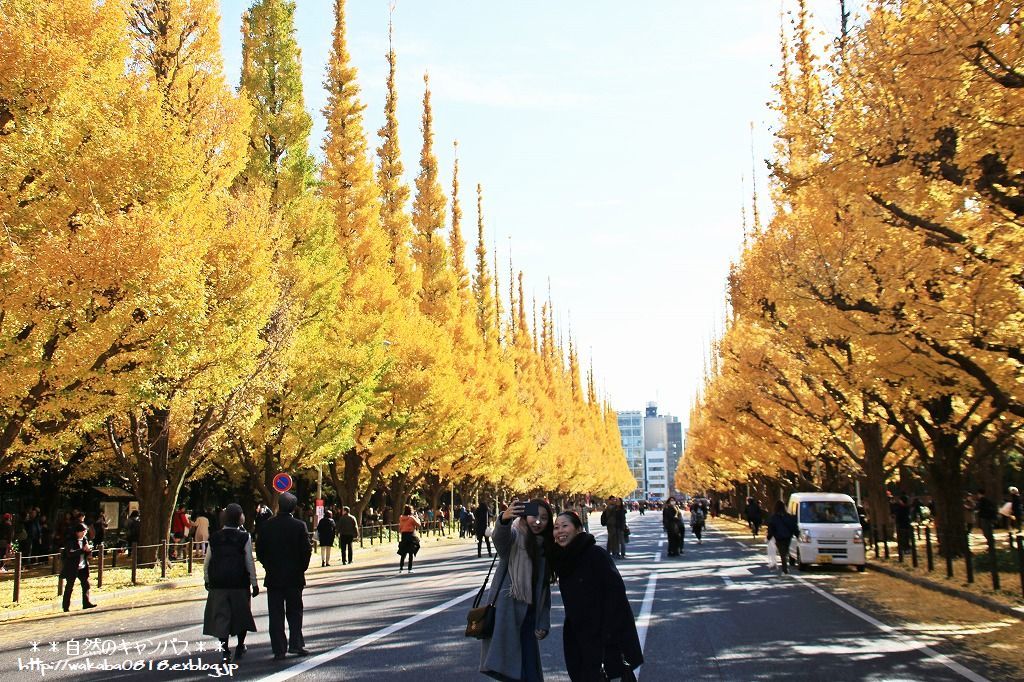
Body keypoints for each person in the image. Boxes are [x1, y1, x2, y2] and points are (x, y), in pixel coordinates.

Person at [550, 510, 642, 681]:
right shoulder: (562, 560)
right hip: (579, 637)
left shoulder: (595, 554)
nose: (560, 531)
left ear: (578, 529)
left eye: (564, 526)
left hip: (606, 637)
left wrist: (610, 636)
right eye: (556, 527)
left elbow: (616, 595)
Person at [480, 499, 553, 682]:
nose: (538, 521)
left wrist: (543, 621)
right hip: (507, 613)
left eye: (544, 518)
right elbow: (499, 538)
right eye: (534, 516)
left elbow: (544, 590)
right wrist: (504, 519)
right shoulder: (514, 537)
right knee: (512, 672)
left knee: (529, 671)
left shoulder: (545, 546)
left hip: (529, 617)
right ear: (524, 516)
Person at [256, 493, 312, 661]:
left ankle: (279, 649)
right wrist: (301, 568)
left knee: (276, 614)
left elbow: (260, 551)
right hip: (294, 576)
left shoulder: (267, 526)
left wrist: (267, 565)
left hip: (274, 576)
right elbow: (306, 551)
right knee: (295, 611)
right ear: (293, 507)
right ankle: (296, 644)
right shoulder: (299, 526)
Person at [204, 504, 258, 664]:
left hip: (218, 583)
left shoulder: (214, 537)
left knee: (221, 616)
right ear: (240, 518)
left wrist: (207, 579)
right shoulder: (244, 537)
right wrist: (254, 583)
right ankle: (240, 645)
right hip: (239, 582)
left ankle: (225, 650)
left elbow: (207, 561)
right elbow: (249, 561)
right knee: (241, 614)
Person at [61, 523, 97, 612]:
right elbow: (70, 553)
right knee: (69, 587)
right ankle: (65, 607)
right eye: (82, 531)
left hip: (83, 566)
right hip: (72, 567)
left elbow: (86, 552)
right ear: (77, 532)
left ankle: (86, 603)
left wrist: (88, 550)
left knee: (86, 585)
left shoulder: (85, 539)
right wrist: (82, 550)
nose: (84, 533)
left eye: (85, 531)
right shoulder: (71, 541)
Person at [765, 501, 799, 574]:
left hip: (779, 537)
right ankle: (785, 566)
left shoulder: (773, 517)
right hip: (787, 537)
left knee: (782, 552)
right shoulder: (788, 516)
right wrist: (797, 534)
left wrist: (769, 537)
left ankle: (784, 567)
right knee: (785, 551)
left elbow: (771, 528)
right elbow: (793, 526)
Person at [397, 505, 421, 573]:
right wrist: (417, 518)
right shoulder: (411, 518)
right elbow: (418, 525)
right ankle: (409, 569)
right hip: (411, 535)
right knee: (411, 552)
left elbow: (400, 527)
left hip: (404, 535)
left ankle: (401, 568)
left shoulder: (401, 517)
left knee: (403, 552)